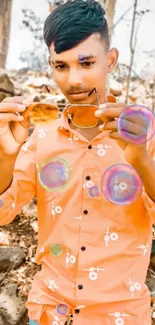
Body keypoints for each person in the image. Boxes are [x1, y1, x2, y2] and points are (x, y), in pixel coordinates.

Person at [0, 0, 155, 324]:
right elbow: (3, 212)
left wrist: (140, 159)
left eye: (86, 63)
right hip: (48, 313)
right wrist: (5, 155)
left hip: (121, 315)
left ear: (110, 60)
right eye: (61, 66)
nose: (74, 80)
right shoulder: (40, 139)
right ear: (51, 65)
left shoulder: (146, 134)